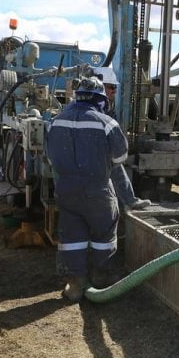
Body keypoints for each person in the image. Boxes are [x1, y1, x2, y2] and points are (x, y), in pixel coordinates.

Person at [46, 76, 127, 302]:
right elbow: (120, 157)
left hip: (67, 188)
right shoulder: (106, 122)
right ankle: (100, 277)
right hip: (97, 189)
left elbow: (51, 158)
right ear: (100, 99)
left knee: (72, 235)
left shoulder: (56, 121)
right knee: (104, 232)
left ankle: (74, 285)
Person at [93, 67, 151, 211]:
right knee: (114, 165)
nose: (114, 91)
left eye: (115, 87)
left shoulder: (106, 107)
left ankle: (129, 201)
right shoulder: (93, 109)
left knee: (114, 165)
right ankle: (129, 201)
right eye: (111, 87)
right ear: (99, 86)